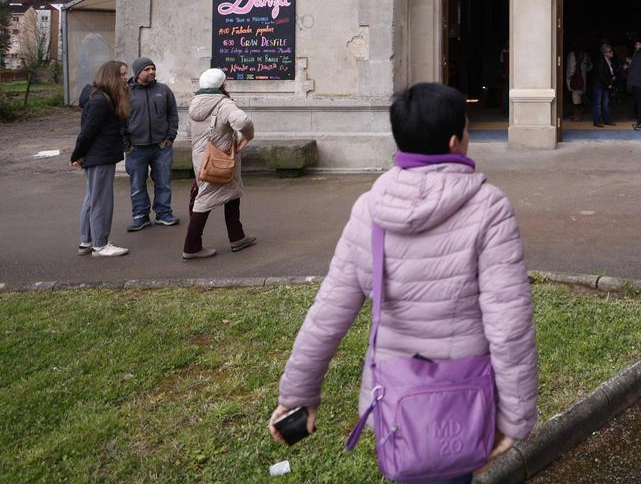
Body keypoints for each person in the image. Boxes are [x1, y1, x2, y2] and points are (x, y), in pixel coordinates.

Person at [270, 83, 537, 484]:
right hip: (464, 397)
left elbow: (327, 315)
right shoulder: (489, 206)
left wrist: (297, 397)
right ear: (454, 141)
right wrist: (516, 418)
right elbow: (509, 323)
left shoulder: (368, 209)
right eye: (466, 129)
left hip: (395, 397)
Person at [183, 68, 256, 260]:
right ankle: (191, 247)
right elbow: (243, 121)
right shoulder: (223, 103)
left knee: (232, 195)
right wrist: (246, 137)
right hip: (221, 160)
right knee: (204, 200)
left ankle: (237, 237)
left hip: (202, 159)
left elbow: (188, 131)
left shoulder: (195, 102)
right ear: (221, 85)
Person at [70, 61, 131, 258]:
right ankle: (100, 245)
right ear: (111, 76)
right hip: (100, 156)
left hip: (97, 155)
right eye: (122, 75)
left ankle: (86, 242)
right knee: (101, 201)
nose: (125, 78)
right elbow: (87, 132)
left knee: (92, 199)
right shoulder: (100, 101)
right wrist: (77, 155)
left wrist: (80, 154)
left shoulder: (99, 97)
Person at [124, 57, 180, 231]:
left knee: (163, 182)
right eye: (147, 69)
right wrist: (126, 144)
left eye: (153, 69)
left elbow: (172, 115)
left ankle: (164, 214)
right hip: (136, 148)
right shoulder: (125, 93)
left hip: (161, 147)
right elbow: (119, 120)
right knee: (137, 184)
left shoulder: (163, 90)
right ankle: (140, 216)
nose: (151, 72)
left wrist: (170, 137)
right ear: (138, 72)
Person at [565, 41, 592, 121]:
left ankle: (577, 117)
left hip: (574, 79)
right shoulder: (585, 55)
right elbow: (590, 66)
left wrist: (569, 77)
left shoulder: (572, 54)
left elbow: (571, 68)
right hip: (583, 78)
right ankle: (579, 115)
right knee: (580, 97)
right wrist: (584, 71)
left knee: (575, 98)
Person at [592, 43, 616, 127]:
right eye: (609, 51)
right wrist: (607, 83)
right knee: (598, 104)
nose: (612, 52)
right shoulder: (600, 60)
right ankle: (597, 122)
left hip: (605, 85)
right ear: (604, 53)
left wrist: (612, 79)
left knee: (605, 103)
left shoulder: (608, 60)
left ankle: (607, 120)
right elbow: (600, 74)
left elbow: (609, 72)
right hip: (599, 85)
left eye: (611, 51)